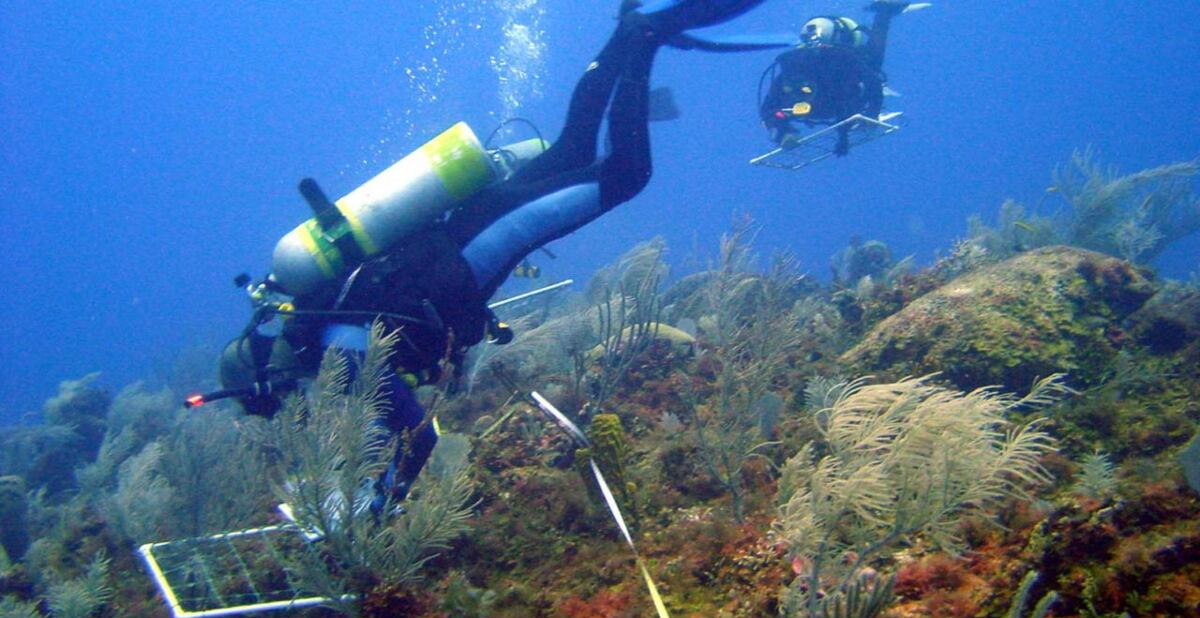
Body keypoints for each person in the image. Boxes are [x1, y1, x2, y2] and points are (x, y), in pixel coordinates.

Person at [211, 0, 768, 516]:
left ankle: (643, 38)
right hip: (465, 223)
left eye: (284, 399)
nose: (296, 401)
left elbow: (416, 436)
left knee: (625, 177)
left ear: (273, 379)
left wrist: (380, 505)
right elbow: (386, 415)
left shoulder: (338, 354)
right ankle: (625, 36)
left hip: (481, 238)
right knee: (573, 149)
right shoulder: (321, 322)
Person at [758, 1, 913, 156]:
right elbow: (769, 111)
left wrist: (852, 129)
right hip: (830, 102)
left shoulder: (839, 61)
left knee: (872, 63)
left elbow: (871, 86)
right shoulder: (794, 67)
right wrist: (784, 134)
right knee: (871, 63)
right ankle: (884, 13)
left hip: (834, 101)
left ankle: (884, 13)